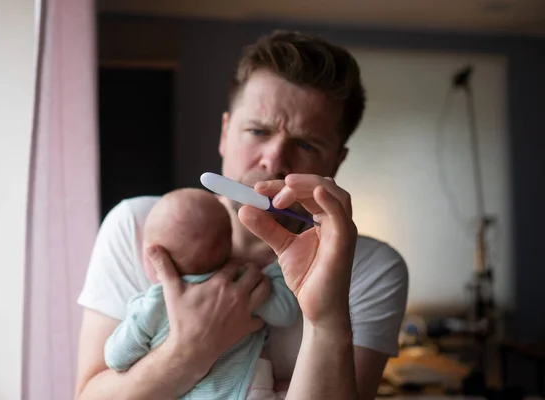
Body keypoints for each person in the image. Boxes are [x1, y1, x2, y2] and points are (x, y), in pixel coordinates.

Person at [74, 30, 409, 400]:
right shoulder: (138, 226)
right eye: (257, 130)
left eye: (306, 143)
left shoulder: (372, 269)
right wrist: (189, 350)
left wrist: (327, 322)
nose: (275, 159)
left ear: (336, 161)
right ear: (224, 133)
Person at [103, 188, 298, 399]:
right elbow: (284, 313)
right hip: (248, 390)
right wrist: (283, 261)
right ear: (229, 247)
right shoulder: (242, 286)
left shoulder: (151, 305)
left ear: (152, 256)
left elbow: (117, 358)